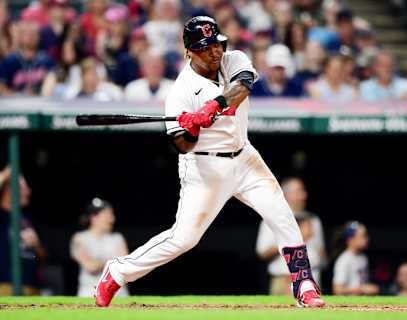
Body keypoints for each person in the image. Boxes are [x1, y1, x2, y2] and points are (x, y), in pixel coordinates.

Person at [95, 16, 325, 308]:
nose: (215, 51)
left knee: (281, 213)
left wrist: (213, 106)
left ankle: (304, 283)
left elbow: (243, 85)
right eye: (206, 48)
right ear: (189, 51)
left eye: (217, 44)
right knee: (184, 239)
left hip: (244, 157)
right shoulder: (180, 91)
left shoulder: (234, 59)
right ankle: (117, 271)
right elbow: (181, 145)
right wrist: (192, 128)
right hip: (204, 169)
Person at [256, 177, 327, 295]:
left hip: (313, 279)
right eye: (299, 191)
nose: (304, 195)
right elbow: (262, 252)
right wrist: (299, 237)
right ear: (286, 195)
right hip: (284, 280)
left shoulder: (313, 220)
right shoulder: (272, 218)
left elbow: (321, 253)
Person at [0, 166, 46, 295]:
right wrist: (4, 175)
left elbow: (42, 257)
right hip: (5, 285)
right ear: (9, 191)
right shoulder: (2, 216)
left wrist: (36, 247)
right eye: (23, 188)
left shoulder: (27, 218)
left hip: (31, 285)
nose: (28, 191)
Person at [70, 198, 129, 297]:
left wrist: (102, 264)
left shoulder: (118, 238)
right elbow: (90, 267)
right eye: (108, 215)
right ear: (94, 217)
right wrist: (114, 263)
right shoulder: (80, 238)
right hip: (89, 292)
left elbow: (125, 266)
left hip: (118, 293)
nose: (112, 219)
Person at [0, 21, 56, 96]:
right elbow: (2, 87)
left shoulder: (46, 59)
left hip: (41, 103)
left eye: (34, 34)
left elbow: (53, 85)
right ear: (20, 37)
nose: (31, 37)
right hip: (14, 103)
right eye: (27, 34)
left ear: (39, 37)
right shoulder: (10, 61)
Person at [332, 221, 379, 296]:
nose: (366, 239)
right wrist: (362, 289)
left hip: (362, 301)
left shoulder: (363, 257)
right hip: (349, 304)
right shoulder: (344, 260)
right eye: (363, 236)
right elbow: (337, 289)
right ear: (350, 240)